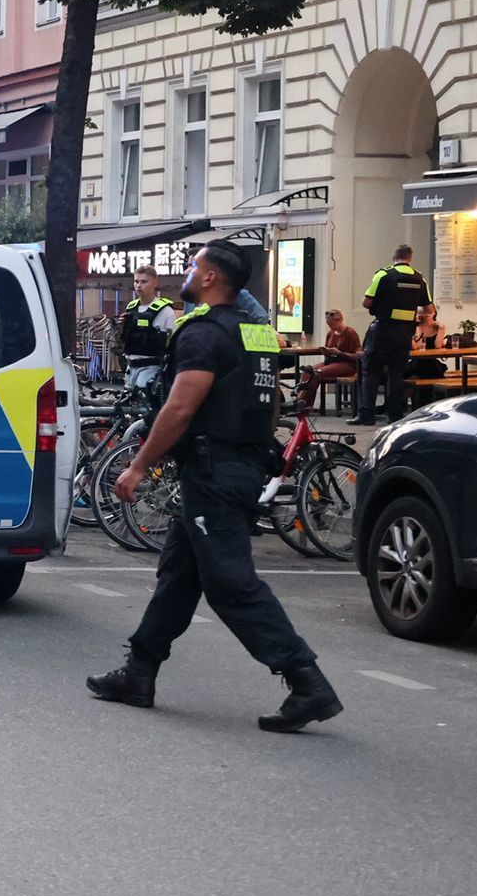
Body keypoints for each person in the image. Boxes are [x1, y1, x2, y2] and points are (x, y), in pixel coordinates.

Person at [87, 241, 343, 733]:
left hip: (214, 470)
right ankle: (139, 672)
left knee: (229, 582)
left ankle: (306, 681)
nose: (185, 271)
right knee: (179, 574)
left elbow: (180, 407)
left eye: (191, 265)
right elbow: (269, 403)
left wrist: (139, 467)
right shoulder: (258, 334)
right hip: (237, 466)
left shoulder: (201, 333)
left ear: (208, 278)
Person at [351, 243, 430, 426]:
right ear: (410, 258)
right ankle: (395, 414)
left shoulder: (383, 274)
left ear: (394, 258)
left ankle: (366, 415)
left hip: (383, 329)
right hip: (405, 333)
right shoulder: (420, 279)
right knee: (397, 373)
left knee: (371, 371)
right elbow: (429, 308)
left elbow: (366, 302)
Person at [117, 264, 177, 395]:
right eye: (136, 281)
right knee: (127, 407)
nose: (139, 285)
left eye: (144, 281)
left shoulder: (165, 311)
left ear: (155, 283)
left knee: (143, 406)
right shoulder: (131, 308)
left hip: (151, 368)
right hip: (130, 367)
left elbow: (173, 345)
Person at [294, 308, 360, 411]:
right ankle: (304, 403)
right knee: (307, 371)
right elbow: (328, 351)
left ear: (340, 320)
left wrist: (340, 353)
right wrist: (326, 352)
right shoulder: (331, 333)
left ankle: (301, 403)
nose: (331, 327)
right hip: (331, 361)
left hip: (347, 364)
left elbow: (357, 355)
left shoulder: (350, 333)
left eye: (332, 324)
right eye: (329, 325)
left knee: (316, 373)